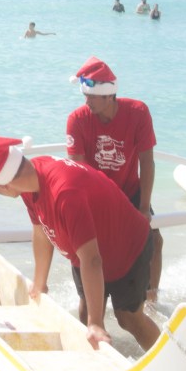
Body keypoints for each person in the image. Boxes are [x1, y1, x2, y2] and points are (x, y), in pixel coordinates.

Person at [0, 134, 160, 352]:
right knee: (85, 312)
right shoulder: (30, 179)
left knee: (127, 318)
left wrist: (96, 323)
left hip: (127, 248)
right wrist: (40, 281)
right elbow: (40, 230)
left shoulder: (65, 194)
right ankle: (99, 365)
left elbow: (92, 260)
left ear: (4, 186)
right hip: (87, 250)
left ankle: (167, 362)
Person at [65, 57, 163, 301]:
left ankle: (151, 297)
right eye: (84, 96)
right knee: (95, 247)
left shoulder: (138, 112)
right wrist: (106, 208)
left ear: (110, 96)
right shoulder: (77, 119)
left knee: (155, 239)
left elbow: (147, 162)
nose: (86, 102)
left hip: (130, 190)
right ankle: (93, 299)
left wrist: (142, 208)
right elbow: (79, 168)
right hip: (95, 193)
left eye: (92, 96)